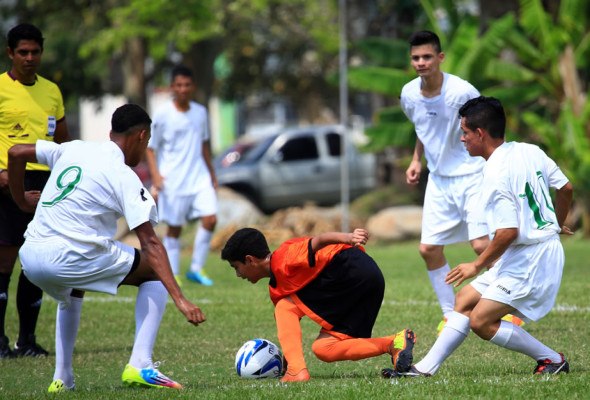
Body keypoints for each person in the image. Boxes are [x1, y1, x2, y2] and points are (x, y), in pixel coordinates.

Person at [8, 104, 206, 392]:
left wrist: (21, 200)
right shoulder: (122, 174)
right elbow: (150, 243)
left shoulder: (73, 148)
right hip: (68, 257)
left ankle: (62, 379)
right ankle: (141, 364)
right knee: (154, 273)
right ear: (141, 136)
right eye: (147, 141)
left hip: (31, 257)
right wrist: (181, 299)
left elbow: (15, 153)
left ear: (111, 132)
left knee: (74, 288)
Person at [382, 96, 573, 379]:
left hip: (533, 258)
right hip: (529, 250)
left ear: (480, 134)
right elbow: (566, 188)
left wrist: (476, 265)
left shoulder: (495, 173)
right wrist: (554, 224)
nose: (462, 139)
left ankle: (552, 359)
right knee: (464, 300)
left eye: (465, 133)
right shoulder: (529, 150)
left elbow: (509, 232)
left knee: (481, 321)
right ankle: (423, 370)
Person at [221, 227, 416, 382]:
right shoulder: (277, 287)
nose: (238, 274)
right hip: (369, 281)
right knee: (324, 348)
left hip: (349, 269)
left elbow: (320, 240)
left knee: (284, 307)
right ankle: (394, 343)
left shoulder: (284, 258)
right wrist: (288, 362)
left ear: (250, 260)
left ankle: (298, 373)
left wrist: (348, 237)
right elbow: (288, 329)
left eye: (236, 267)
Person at [400, 30, 498, 330]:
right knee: (428, 249)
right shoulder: (408, 94)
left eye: (427, 56)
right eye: (416, 57)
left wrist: (495, 164)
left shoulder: (462, 91)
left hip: (471, 176)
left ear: (440, 58)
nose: (421, 62)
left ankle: (504, 304)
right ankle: (450, 314)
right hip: (439, 181)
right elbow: (421, 127)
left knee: (482, 246)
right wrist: (417, 160)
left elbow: (486, 126)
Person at [0, 23, 71, 358]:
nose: (30, 58)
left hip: (45, 186)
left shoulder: (52, 91)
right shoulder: (0, 87)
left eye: (35, 52)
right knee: (5, 261)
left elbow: (64, 143)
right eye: (23, 52)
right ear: (10, 53)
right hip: (7, 181)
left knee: (36, 260)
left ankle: (26, 341)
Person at [146, 65, 218, 286]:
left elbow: (203, 144)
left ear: (193, 86)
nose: (183, 89)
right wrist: (156, 176)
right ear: (172, 87)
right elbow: (150, 147)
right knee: (175, 228)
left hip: (199, 178)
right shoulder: (162, 114)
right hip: (173, 180)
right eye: (179, 85)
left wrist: (213, 174)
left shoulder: (200, 112)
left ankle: (196, 269)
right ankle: (174, 272)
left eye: (187, 85)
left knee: (210, 218)